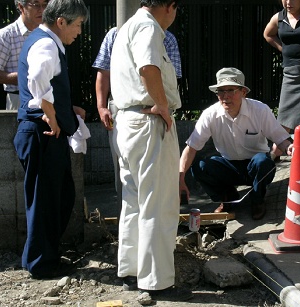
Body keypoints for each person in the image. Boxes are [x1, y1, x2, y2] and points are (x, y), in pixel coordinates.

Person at [109, 0, 193, 302]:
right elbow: (148, 66)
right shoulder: (147, 26)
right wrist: (161, 104)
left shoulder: (126, 28)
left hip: (128, 121)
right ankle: (156, 280)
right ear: (169, 6)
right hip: (147, 120)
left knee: (133, 200)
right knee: (158, 203)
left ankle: (131, 270)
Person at [13, 0, 89, 279]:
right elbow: (38, 78)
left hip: (42, 132)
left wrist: (66, 110)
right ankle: (41, 264)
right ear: (62, 22)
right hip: (41, 132)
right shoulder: (46, 44)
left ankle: (43, 257)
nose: (79, 31)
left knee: (58, 196)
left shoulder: (45, 40)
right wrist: (52, 116)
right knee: (46, 200)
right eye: (78, 25)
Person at [179, 67, 293, 219]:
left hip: (255, 164)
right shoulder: (210, 114)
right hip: (228, 165)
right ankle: (226, 197)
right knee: (200, 166)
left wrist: (290, 147)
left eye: (231, 90)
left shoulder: (259, 110)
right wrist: (180, 178)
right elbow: (191, 148)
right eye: (221, 91)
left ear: (243, 92)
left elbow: (280, 138)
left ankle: (258, 200)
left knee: (263, 162)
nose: (225, 96)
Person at [92, 26, 182, 193]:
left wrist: (163, 107)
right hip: (120, 110)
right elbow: (104, 71)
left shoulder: (166, 37)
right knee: (125, 179)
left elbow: (170, 80)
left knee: (156, 181)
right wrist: (101, 106)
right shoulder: (114, 34)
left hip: (157, 112)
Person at [264, 0, 300, 137]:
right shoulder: (279, 18)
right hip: (290, 72)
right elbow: (268, 34)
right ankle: (278, 147)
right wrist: (283, 49)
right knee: (284, 113)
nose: (288, 2)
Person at [0, 0, 47, 110]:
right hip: (18, 98)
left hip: (47, 98)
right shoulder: (6, 36)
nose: (42, 10)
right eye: (36, 5)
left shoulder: (48, 34)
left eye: (44, 5)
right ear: (21, 7)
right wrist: (25, 77)